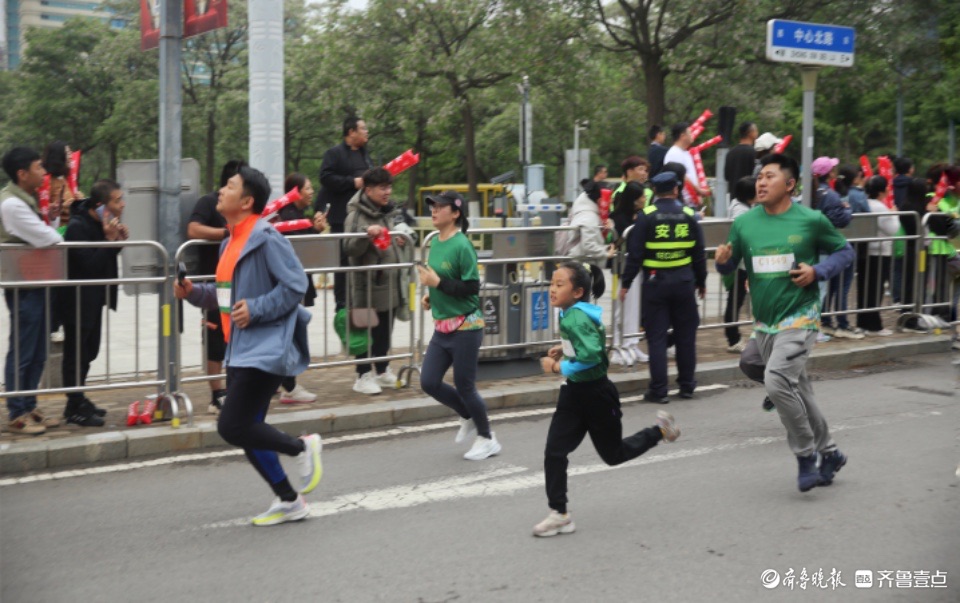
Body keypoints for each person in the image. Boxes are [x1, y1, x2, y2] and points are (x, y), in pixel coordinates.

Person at [174, 164, 323, 526]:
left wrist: (256, 309)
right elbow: (226, 298)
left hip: (265, 348)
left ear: (247, 200)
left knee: (232, 425)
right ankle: (290, 501)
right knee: (248, 431)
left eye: (229, 186)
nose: (221, 191)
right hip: (239, 347)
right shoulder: (229, 242)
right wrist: (193, 293)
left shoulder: (266, 237)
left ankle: (302, 447)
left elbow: (295, 286)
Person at [716, 153, 852, 492]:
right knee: (800, 391)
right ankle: (830, 452)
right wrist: (721, 263)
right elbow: (730, 267)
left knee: (777, 383)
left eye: (770, 176)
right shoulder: (745, 223)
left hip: (800, 317)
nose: (761, 182)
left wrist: (817, 271)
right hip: (764, 322)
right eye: (760, 176)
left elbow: (845, 252)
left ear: (790, 185)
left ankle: (806, 454)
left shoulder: (811, 219)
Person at [533, 261, 679, 537]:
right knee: (554, 451)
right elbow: (589, 348)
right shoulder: (571, 313)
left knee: (613, 455)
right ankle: (560, 514)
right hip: (574, 394)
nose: (552, 289)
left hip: (597, 396)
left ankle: (660, 430)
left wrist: (557, 367)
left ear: (577, 292)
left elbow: (591, 357)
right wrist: (564, 349)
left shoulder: (576, 317)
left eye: (559, 284)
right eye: (551, 283)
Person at [417, 190, 501, 461]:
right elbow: (442, 280)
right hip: (442, 327)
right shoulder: (436, 243)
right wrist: (433, 296)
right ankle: (468, 414)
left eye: (440, 207)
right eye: (432, 206)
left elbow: (471, 288)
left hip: (466, 326)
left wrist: (438, 284)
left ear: (455, 213)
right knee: (429, 381)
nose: (434, 210)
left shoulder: (462, 245)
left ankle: (488, 438)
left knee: (466, 386)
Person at [620, 171, 706, 403]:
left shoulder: (646, 216)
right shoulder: (690, 215)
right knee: (686, 337)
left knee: (656, 338)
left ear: (654, 192)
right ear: (676, 190)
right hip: (684, 284)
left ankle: (659, 391)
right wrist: (702, 282)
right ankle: (687, 386)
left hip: (655, 285)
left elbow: (634, 255)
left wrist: (625, 283)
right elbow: (699, 255)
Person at [1, 147, 64, 435]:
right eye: (38, 167)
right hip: (24, 286)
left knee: (37, 350)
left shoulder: (25, 200)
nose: (43, 172)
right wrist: (49, 228)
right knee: (24, 350)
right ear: (22, 173)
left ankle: (28, 404)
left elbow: (46, 233)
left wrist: (48, 218)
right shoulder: (12, 204)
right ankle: (17, 412)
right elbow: (48, 239)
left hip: (34, 282)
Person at [58, 179, 130, 427]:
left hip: (95, 298)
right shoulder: (78, 227)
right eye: (117, 200)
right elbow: (89, 266)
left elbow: (105, 260)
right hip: (77, 301)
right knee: (76, 354)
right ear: (100, 204)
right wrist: (109, 241)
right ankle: (73, 405)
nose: (122, 205)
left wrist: (116, 241)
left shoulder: (102, 223)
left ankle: (77, 399)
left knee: (90, 351)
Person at [343, 168, 407, 395]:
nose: (387, 192)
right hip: (365, 287)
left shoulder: (386, 212)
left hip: (387, 285)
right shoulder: (356, 215)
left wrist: (398, 240)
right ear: (368, 190)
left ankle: (382, 370)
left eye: (389, 187)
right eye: (382, 187)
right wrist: (365, 234)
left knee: (384, 332)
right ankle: (362, 376)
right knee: (364, 332)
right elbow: (348, 248)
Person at [187, 159, 243, 414]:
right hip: (213, 282)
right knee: (215, 338)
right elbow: (193, 229)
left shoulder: (244, 208)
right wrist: (224, 234)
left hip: (241, 280)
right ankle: (216, 394)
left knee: (238, 335)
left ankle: (236, 389)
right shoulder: (209, 202)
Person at [274, 172, 326, 404]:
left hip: (292, 285)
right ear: (295, 192)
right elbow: (302, 253)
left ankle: (281, 382)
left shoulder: (294, 216)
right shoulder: (287, 219)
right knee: (289, 335)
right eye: (307, 187)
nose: (312, 191)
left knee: (287, 333)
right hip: (289, 286)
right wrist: (314, 230)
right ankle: (289, 387)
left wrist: (314, 228)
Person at [315, 116, 372, 311]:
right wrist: (352, 182)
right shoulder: (334, 154)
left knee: (363, 258)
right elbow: (325, 177)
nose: (366, 132)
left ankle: (361, 300)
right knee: (343, 261)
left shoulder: (365, 154)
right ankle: (342, 304)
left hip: (365, 217)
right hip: (341, 217)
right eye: (363, 129)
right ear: (351, 132)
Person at [810, 156, 859, 340]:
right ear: (829, 173)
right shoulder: (830, 195)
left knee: (815, 290)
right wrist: (847, 210)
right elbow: (839, 220)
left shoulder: (809, 192)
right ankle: (813, 330)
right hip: (824, 248)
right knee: (819, 290)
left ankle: (814, 327)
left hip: (811, 247)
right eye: (832, 168)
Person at [609, 156, 651, 365]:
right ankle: (618, 347)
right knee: (621, 307)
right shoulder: (619, 218)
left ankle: (632, 343)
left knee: (634, 308)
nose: (645, 199)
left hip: (636, 267)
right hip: (621, 268)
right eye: (641, 196)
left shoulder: (639, 215)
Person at [856, 175, 900, 335]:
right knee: (875, 290)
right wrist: (894, 213)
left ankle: (862, 322)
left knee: (864, 289)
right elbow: (894, 230)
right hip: (880, 253)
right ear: (883, 190)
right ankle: (874, 325)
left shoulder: (865, 203)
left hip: (865, 252)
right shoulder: (881, 207)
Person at [723, 176, 757, 353]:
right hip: (740, 264)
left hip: (742, 263)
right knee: (735, 301)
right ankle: (733, 338)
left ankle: (734, 336)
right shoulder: (741, 212)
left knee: (735, 301)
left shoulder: (740, 205)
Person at [567, 178, 616, 269]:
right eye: (610, 198)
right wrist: (605, 253)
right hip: (584, 264)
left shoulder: (589, 211)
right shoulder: (588, 217)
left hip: (585, 262)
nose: (612, 201)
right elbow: (588, 245)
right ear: (601, 200)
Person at [663, 122, 710, 206]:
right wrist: (698, 190)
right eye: (690, 133)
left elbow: (692, 174)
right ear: (682, 136)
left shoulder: (686, 153)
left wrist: (698, 193)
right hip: (682, 201)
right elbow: (683, 176)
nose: (692, 135)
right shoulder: (673, 153)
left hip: (691, 201)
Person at [724, 122, 758, 192]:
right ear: (750, 133)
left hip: (734, 196)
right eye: (756, 130)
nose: (757, 133)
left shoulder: (730, 153)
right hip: (749, 196)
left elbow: (726, 177)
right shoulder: (754, 152)